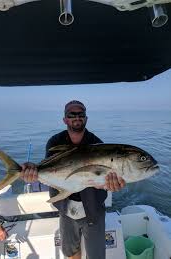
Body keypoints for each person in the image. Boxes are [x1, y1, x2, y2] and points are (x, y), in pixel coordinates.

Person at [21, 100, 126, 259]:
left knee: (96, 255)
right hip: (66, 208)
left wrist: (111, 185)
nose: (77, 117)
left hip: (94, 208)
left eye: (81, 114)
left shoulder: (97, 144)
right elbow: (49, 170)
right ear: (65, 119)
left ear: (86, 118)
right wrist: (33, 172)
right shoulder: (55, 142)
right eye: (72, 114)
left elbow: (103, 180)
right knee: (71, 252)